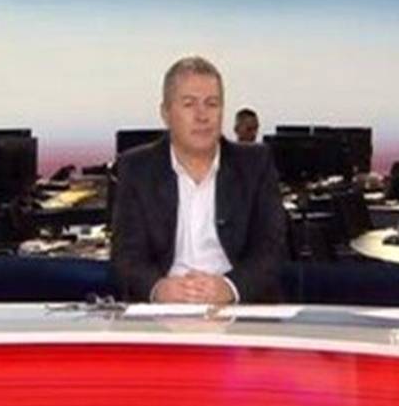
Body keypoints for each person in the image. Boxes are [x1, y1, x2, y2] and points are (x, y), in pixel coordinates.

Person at [111, 56, 286, 303]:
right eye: (189, 104)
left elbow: (272, 250)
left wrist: (230, 288)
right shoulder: (137, 168)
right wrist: (158, 289)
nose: (202, 116)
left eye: (212, 104)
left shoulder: (255, 164)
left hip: (239, 306)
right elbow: (126, 256)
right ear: (166, 113)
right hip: (164, 309)